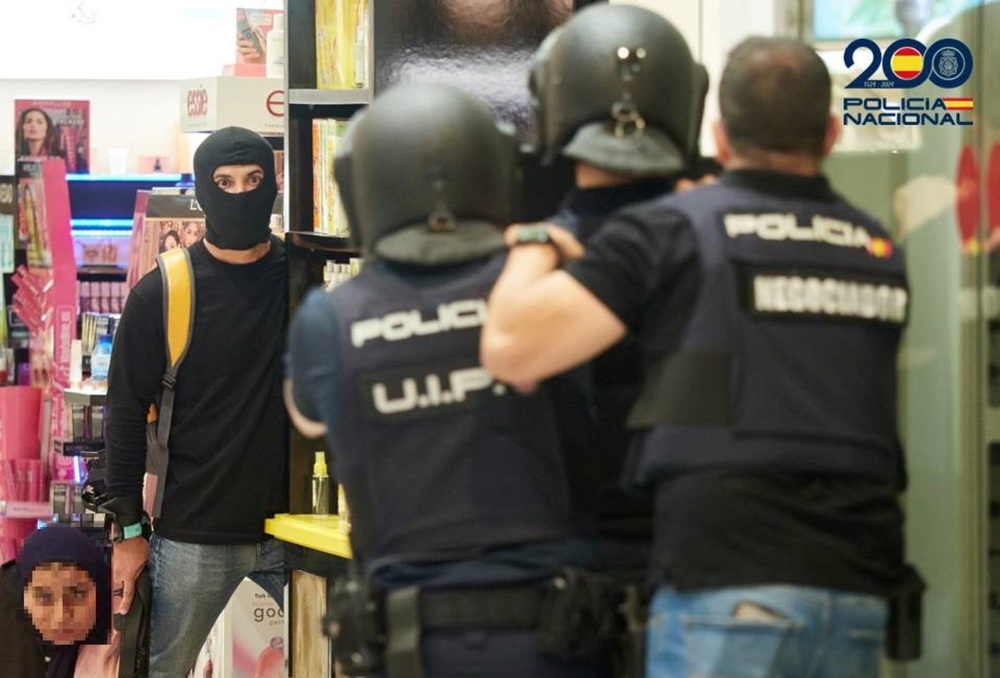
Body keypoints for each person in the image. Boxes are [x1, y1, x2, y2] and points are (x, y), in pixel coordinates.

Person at [482, 36, 915, 678]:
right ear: (829, 133)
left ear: (719, 130)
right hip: (856, 590)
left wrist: (538, 239)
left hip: (728, 581)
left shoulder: (681, 229)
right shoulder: (877, 248)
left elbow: (513, 350)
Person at [285, 82, 611, 678]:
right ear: (497, 175)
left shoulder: (328, 319)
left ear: (361, 188)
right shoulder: (548, 294)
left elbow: (309, 415)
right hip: (558, 636)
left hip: (410, 644)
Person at [105, 125, 289, 678]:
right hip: (193, 537)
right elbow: (123, 417)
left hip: (297, 527)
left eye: (254, 180)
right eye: (225, 182)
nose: (240, 194)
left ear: (274, 184)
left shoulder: (304, 274)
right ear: (203, 193)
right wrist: (129, 535)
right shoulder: (163, 291)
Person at [0, 525, 112, 678]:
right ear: (23, 596)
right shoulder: (8, 635)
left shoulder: (122, 638)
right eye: (44, 598)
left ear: (99, 591)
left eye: (77, 594)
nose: (61, 617)